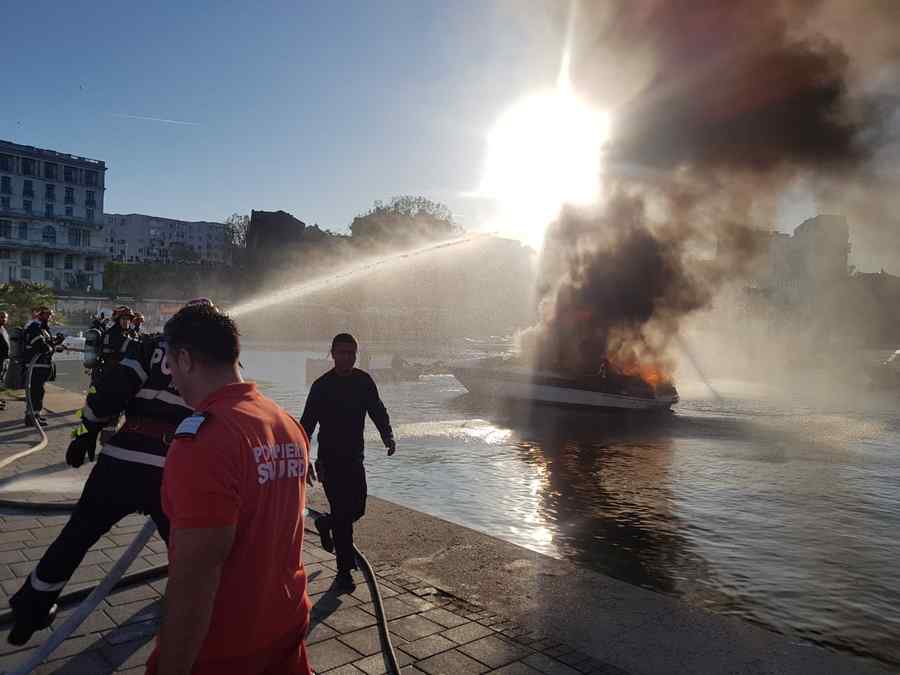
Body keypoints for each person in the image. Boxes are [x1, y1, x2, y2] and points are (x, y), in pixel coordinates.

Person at [5, 300, 208, 646]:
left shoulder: (147, 346)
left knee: (76, 537)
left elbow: (106, 395)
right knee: (187, 546)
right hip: (171, 466)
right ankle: (196, 606)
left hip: (121, 461)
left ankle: (30, 611)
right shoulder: (212, 361)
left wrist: (85, 433)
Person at [147, 303, 312, 675]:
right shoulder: (284, 422)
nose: (171, 378)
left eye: (170, 365)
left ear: (185, 359)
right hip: (285, 632)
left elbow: (195, 581)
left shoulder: (202, 443)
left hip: (225, 651)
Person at [300, 333, 396, 592]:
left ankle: (324, 523)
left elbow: (377, 409)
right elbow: (306, 424)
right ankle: (344, 572)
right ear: (332, 354)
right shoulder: (322, 386)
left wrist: (387, 435)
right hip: (329, 462)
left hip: (355, 458)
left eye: (351, 353)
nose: (346, 358)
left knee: (358, 509)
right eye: (341, 353)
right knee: (343, 517)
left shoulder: (363, 382)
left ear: (356, 354)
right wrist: (303, 456)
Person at [22, 306, 64, 427]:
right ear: (39, 315)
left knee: (39, 391)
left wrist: (57, 341)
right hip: (34, 366)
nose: (49, 317)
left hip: (41, 365)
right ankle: (31, 417)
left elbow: (47, 343)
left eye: (50, 315)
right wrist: (52, 346)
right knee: (35, 392)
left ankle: (36, 415)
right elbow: (41, 346)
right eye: (47, 314)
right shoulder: (34, 327)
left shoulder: (43, 328)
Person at [0, 311, 9, 410]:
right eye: (2, 317)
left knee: (1, 380)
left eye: (5, 318)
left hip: (4, 359)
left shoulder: (3, 330)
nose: (4, 319)